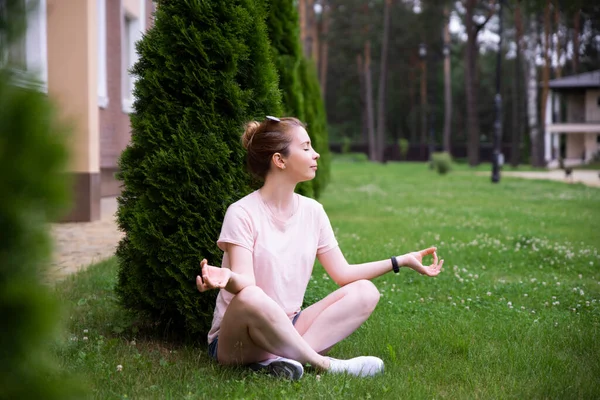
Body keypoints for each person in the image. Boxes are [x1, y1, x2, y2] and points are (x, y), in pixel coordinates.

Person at [196, 116, 444, 380]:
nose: (315, 155)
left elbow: (343, 274)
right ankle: (325, 364)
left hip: (288, 326)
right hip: (237, 340)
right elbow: (245, 283)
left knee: (365, 292)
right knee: (251, 295)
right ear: (279, 160)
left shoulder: (313, 212)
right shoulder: (242, 212)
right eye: (305, 148)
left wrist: (401, 260)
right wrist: (228, 278)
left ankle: (281, 362)